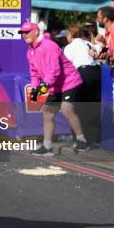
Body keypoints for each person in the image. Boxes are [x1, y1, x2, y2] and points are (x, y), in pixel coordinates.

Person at [18, 21, 90, 155]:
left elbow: (55, 70)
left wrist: (43, 88)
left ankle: (82, 140)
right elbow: (34, 73)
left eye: (27, 32)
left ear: (36, 32)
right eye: (22, 32)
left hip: (69, 82)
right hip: (54, 86)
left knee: (66, 109)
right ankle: (47, 146)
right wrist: (35, 89)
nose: (24, 35)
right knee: (48, 113)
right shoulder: (30, 52)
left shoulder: (49, 45)